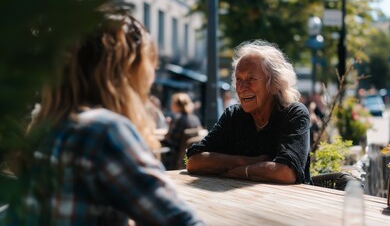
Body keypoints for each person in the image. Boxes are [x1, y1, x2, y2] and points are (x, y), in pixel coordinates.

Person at [4, 13, 202, 225]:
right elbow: (179, 221)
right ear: (128, 70)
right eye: (150, 66)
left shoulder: (44, 128)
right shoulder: (102, 132)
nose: (152, 76)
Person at [186, 39, 311, 184]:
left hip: (290, 203)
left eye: (251, 79)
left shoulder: (294, 113)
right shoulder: (233, 115)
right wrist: (248, 161)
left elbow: (286, 172)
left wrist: (240, 171)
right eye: (238, 79)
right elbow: (195, 161)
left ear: (274, 84)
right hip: (241, 201)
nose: (241, 87)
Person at [162, 92, 202, 169]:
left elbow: (172, 142)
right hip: (185, 157)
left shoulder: (178, 119)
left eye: (172, 103)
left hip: (173, 158)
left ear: (176, 105)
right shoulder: (195, 119)